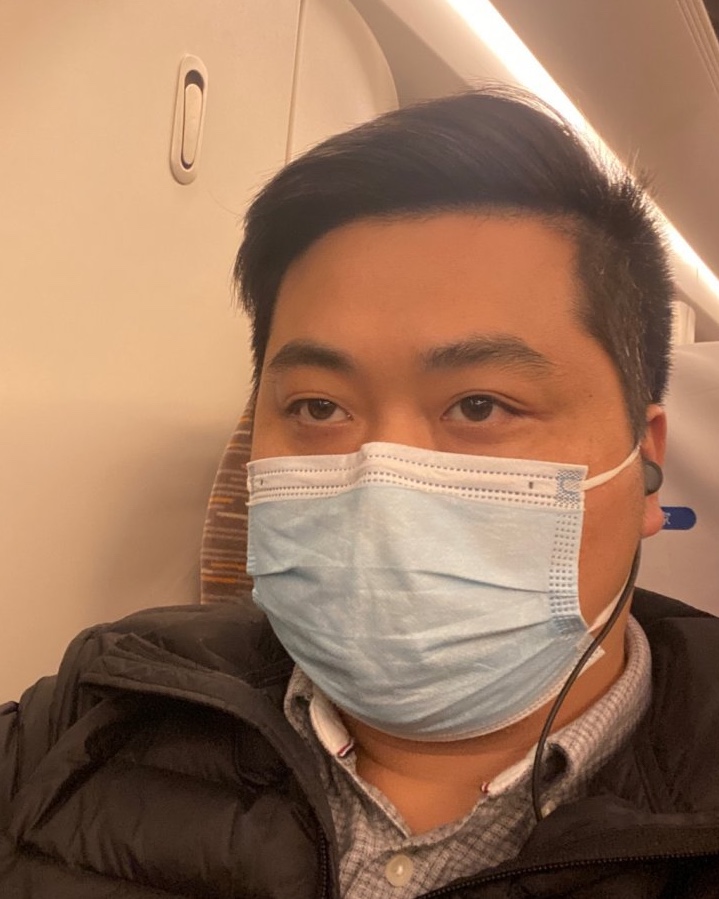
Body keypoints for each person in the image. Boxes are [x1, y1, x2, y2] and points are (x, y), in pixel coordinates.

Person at [1, 88, 718, 899]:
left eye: (478, 405)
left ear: (643, 460)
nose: (381, 481)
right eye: (317, 408)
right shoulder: (94, 711)